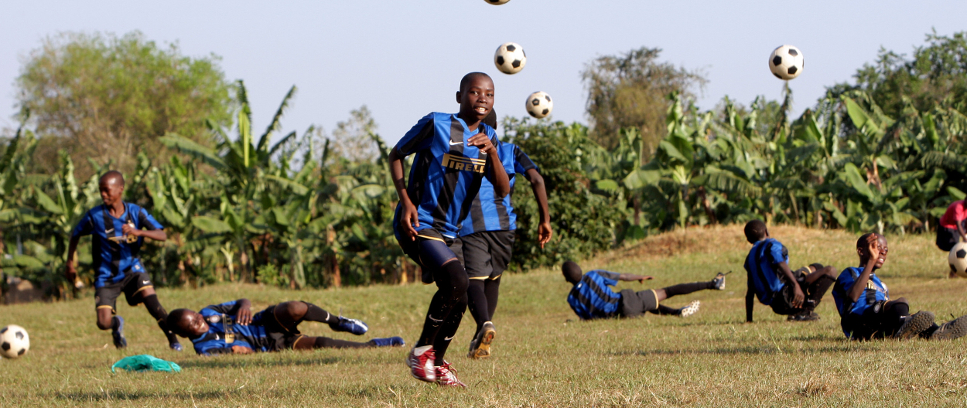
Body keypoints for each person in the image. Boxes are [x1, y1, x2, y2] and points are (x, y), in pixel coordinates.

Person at [389, 72, 510, 387]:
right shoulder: (437, 124)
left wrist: (492, 153)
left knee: (460, 296)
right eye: (474, 92)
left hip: (450, 231)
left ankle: (438, 363)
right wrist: (405, 202)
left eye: (489, 94)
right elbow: (396, 154)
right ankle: (421, 352)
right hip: (420, 221)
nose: (482, 98)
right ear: (459, 96)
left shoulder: (489, 137)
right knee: (458, 280)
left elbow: (503, 189)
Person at [458, 109, 552, 360]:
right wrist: (545, 219)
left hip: (471, 224)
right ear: (496, 125)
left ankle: (484, 324)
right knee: (494, 278)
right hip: (504, 226)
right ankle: (481, 333)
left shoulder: (461, 150)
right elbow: (537, 179)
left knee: (473, 280)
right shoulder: (510, 150)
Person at [65, 171, 182, 351]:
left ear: (120, 189)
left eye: (107, 190)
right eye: (101, 190)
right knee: (103, 323)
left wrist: (139, 232)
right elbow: (75, 234)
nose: (103, 194)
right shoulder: (95, 216)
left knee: (153, 304)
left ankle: (173, 341)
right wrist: (70, 263)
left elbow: (162, 235)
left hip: (133, 270)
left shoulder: (136, 212)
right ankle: (116, 324)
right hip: (106, 275)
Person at [831, 232, 967, 340]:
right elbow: (853, 297)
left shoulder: (881, 285)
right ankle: (904, 326)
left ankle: (936, 333)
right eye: (877, 247)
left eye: (885, 249)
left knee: (914, 317)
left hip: (876, 328)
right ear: (861, 251)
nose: (883, 252)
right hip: (857, 323)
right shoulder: (851, 272)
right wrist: (871, 260)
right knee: (900, 303)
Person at [166, 299, 403, 355]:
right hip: (272, 344)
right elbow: (235, 354)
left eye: (196, 315)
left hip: (265, 322)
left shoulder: (209, 312)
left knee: (294, 307)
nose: (200, 319)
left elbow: (241, 301)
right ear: (185, 334)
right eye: (194, 323)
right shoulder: (205, 348)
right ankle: (373, 345)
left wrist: (244, 306)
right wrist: (237, 352)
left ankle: (337, 322)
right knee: (321, 344)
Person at [562, 261, 725, 320]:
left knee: (645, 302)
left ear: (567, 279)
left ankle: (677, 312)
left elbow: (586, 319)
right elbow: (624, 276)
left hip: (618, 316)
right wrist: (639, 276)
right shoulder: (593, 275)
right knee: (667, 291)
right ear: (581, 270)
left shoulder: (572, 299)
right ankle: (713, 284)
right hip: (626, 304)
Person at [743, 220, 837, 322]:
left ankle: (797, 312)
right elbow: (780, 262)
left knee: (817, 267)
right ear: (766, 232)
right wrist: (795, 285)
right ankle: (805, 312)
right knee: (830, 271)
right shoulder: (771, 245)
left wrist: (749, 320)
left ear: (748, 239)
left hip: (776, 305)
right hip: (787, 297)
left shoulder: (750, 258)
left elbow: (750, 292)